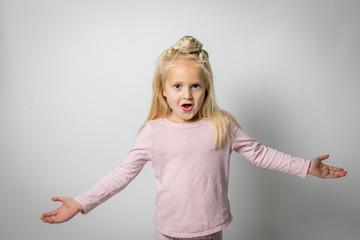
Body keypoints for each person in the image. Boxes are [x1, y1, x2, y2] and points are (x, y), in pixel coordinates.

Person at [41, 36, 347, 240]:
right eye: (177, 86)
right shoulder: (153, 132)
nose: (186, 94)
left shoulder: (221, 125)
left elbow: (261, 153)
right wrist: (81, 202)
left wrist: (306, 167)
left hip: (211, 232)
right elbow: (122, 175)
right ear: (162, 89)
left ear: (206, 90)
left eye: (195, 87)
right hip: (171, 232)